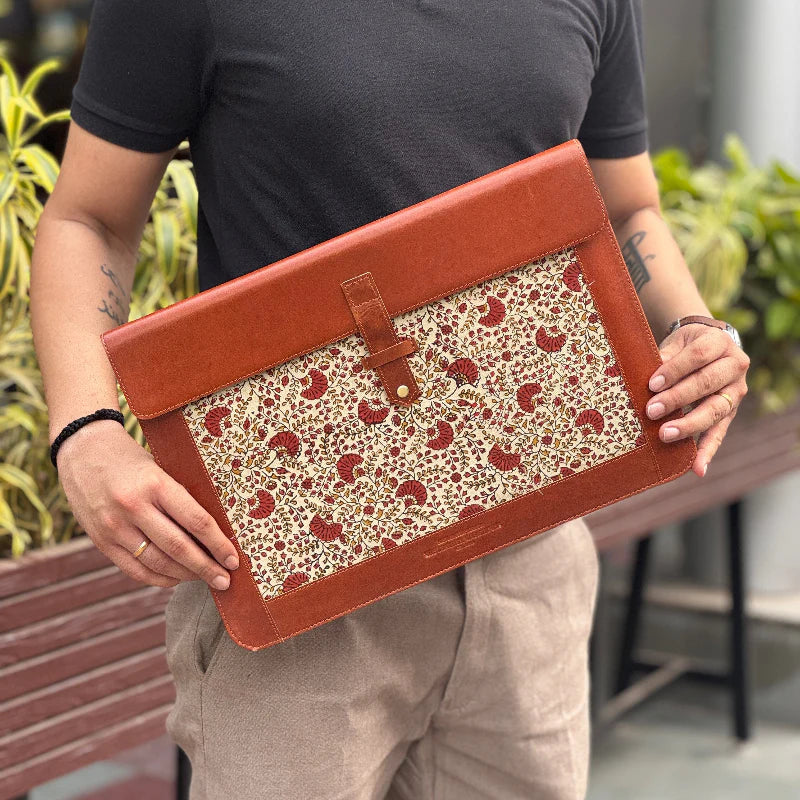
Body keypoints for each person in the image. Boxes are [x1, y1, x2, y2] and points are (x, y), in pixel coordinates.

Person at [30, 1, 750, 798]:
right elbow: (89, 218)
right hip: (299, 568)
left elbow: (622, 205)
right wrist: (87, 432)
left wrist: (689, 326)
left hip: (533, 554)